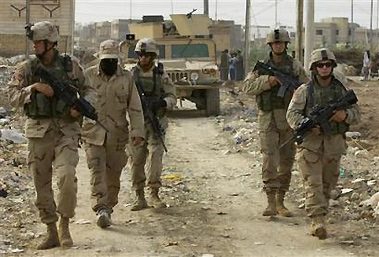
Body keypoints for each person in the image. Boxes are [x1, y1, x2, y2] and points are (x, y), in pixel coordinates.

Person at [8, 21, 96, 249]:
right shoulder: (27, 68)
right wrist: (34, 88)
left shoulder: (71, 66)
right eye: (34, 42)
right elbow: (11, 96)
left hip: (66, 129)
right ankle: (50, 229)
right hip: (39, 132)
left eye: (39, 42)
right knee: (41, 183)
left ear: (51, 43)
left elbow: (90, 90)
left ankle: (64, 224)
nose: (35, 46)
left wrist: (81, 106)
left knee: (67, 176)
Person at [286, 48, 360, 239]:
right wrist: (307, 126)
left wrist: (344, 116)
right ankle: (317, 220)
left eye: (328, 65)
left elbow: (356, 113)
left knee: (328, 185)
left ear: (332, 67)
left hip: (334, 145)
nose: (325, 68)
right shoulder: (304, 91)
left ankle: (321, 215)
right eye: (321, 65)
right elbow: (292, 114)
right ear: (314, 68)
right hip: (310, 145)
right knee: (313, 184)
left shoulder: (341, 89)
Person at [242, 29, 309, 217]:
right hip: (267, 118)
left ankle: (281, 201)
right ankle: (270, 201)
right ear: (270, 46)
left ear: (286, 45)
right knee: (270, 159)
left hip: (288, 119)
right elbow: (246, 87)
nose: (278, 46)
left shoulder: (294, 66)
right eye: (275, 44)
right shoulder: (261, 68)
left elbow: (306, 87)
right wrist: (267, 81)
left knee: (286, 160)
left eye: (281, 43)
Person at [82, 39, 145, 228]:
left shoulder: (126, 78)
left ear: (117, 60)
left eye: (112, 60)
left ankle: (108, 207)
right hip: (92, 133)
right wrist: (74, 131)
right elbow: (77, 105)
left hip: (117, 134)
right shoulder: (88, 76)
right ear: (99, 59)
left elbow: (134, 107)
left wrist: (137, 131)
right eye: (105, 60)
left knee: (113, 173)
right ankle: (100, 207)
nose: (109, 63)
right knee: (97, 170)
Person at [129, 38, 176, 211]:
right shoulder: (130, 75)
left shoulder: (161, 75)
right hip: (137, 121)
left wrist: (163, 103)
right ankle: (139, 196)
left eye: (146, 55)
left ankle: (154, 192)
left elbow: (172, 96)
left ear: (153, 56)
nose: (143, 59)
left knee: (156, 155)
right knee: (136, 158)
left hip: (156, 119)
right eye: (140, 55)